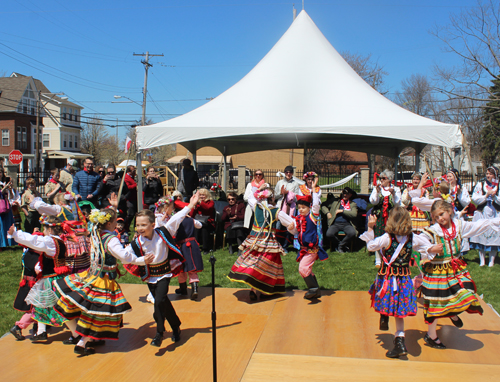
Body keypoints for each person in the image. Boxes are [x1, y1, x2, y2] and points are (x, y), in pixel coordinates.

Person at [53, 207, 153, 355]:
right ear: (109, 224)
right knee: (97, 312)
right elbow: (123, 256)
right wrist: (141, 260)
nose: (116, 224)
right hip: (104, 279)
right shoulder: (111, 239)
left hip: (91, 275)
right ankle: (82, 342)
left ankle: (83, 336)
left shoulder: (95, 233)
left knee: (79, 306)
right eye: (114, 221)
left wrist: (112, 207)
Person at [360, 207, 442, 358]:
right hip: (403, 281)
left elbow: (371, 246)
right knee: (399, 311)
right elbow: (426, 246)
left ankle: (386, 319)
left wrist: (370, 227)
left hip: (387, 279)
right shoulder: (413, 238)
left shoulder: (387, 237)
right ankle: (399, 340)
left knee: (381, 297)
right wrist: (433, 248)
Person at [418, 199, 500, 349]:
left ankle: (451, 312)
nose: (440, 219)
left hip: (455, 269)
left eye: (441, 214)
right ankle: (431, 335)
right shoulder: (434, 230)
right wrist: (430, 248)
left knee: (466, 292)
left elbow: (481, 225)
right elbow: (420, 240)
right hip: (437, 271)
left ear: (449, 211)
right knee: (435, 304)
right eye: (436, 217)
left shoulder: (460, 226)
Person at [124, 193, 199, 347]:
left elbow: (176, 218)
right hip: (150, 275)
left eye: (143, 225)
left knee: (159, 301)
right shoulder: (137, 242)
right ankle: (176, 326)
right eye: (137, 225)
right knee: (163, 302)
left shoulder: (163, 232)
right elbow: (124, 254)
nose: (140, 228)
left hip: (164, 273)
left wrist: (190, 206)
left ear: (153, 225)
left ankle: (159, 333)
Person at [8, 216, 71, 342]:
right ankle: (37, 330)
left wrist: (16, 234)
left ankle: (38, 330)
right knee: (49, 305)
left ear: (50, 230)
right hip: (54, 279)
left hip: (50, 280)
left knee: (46, 305)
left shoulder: (50, 243)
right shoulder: (57, 242)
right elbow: (36, 242)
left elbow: (35, 241)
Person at [228, 187, 286, 300]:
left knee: (254, 261)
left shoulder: (256, 206)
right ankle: (263, 291)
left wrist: (258, 189)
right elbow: (289, 222)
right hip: (267, 241)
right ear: (272, 198)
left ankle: (253, 290)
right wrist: (293, 227)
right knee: (267, 265)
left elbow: (250, 196)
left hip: (254, 240)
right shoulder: (276, 211)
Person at [280, 177, 328, 299]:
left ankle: (313, 288)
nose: (301, 210)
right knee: (307, 270)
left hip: (312, 248)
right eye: (299, 208)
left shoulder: (312, 216)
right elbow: (295, 232)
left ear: (309, 208)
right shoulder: (298, 219)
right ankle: (316, 290)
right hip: (303, 248)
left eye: (303, 208)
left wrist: (313, 190)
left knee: (303, 268)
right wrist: (291, 228)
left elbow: (316, 204)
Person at [28, 192, 90, 274]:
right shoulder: (75, 209)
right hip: (81, 240)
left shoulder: (60, 208)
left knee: (68, 264)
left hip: (68, 240)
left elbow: (40, 206)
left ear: (60, 203)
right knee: (82, 265)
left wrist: (34, 201)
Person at [469, 166, 500, 267]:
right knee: (480, 235)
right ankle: (482, 261)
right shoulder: (480, 184)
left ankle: (492, 261)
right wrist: (486, 196)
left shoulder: (498, 185)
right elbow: (475, 198)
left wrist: (495, 196)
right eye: (487, 174)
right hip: (482, 213)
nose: (488, 176)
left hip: (495, 214)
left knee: (494, 237)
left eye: (490, 174)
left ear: (495, 175)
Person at [323, 187, 358, 253]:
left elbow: (354, 214)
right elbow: (323, 205)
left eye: (347, 194)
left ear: (350, 195)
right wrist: (327, 213)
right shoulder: (335, 202)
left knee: (352, 233)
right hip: (335, 223)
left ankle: (340, 246)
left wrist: (342, 211)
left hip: (347, 224)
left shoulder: (352, 204)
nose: (345, 195)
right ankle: (341, 245)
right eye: (344, 193)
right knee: (329, 234)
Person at [274, 165, 301, 249]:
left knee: (289, 227)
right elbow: (274, 196)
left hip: (290, 208)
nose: (288, 173)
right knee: (278, 226)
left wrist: (289, 193)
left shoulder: (295, 184)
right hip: (280, 207)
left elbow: (297, 197)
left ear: (292, 173)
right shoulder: (280, 183)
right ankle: (277, 245)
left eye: (290, 172)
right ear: (284, 172)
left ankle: (285, 246)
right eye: (287, 172)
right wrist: (282, 193)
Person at [190, 188, 215, 255]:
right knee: (196, 228)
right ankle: (196, 247)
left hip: (208, 222)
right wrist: (194, 207)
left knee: (204, 228)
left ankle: (206, 248)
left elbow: (208, 208)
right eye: (200, 195)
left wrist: (201, 203)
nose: (201, 197)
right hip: (199, 221)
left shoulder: (211, 202)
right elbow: (192, 215)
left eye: (203, 195)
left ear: (207, 195)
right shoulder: (197, 203)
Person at [0, 169, 16, 248]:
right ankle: (2, 243)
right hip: (1, 208)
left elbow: (11, 197)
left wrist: (10, 189)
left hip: (6, 206)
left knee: (8, 225)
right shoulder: (3, 185)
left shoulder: (3, 184)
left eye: (1, 172)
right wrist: (4, 189)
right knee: (2, 226)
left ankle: (9, 243)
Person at [124, 165, 138, 231]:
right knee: (131, 214)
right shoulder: (126, 178)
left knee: (136, 214)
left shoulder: (133, 177)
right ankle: (127, 227)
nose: (134, 171)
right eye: (133, 170)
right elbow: (128, 187)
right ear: (129, 171)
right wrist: (136, 184)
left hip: (135, 198)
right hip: (130, 199)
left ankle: (136, 227)